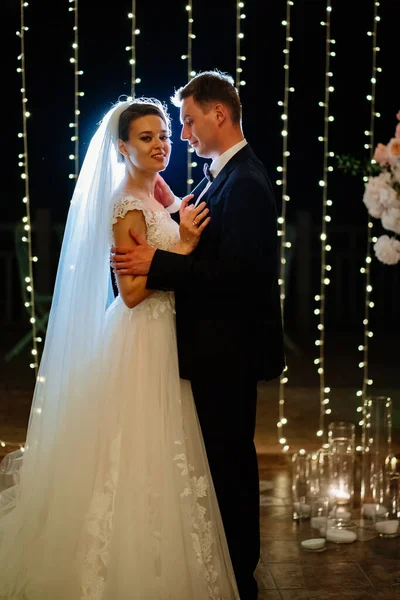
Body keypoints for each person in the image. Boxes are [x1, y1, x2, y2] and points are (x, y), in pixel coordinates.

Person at [0, 99, 240, 599]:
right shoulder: (124, 205)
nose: (160, 146)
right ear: (123, 146)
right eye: (147, 138)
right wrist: (184, 248)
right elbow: (130, 294)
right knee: (135, 448)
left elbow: (175, 216)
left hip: (170, 334)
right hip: (141, 337)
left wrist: (180, 220)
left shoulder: (153, 190)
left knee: (166, 446)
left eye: (165, 136)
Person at [111, 71, 285, 600]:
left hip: (228, 350)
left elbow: (238, 274)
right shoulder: (220, 175)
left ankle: (240, 572)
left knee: (229, 462)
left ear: (218, 114)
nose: (180, 135)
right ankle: (223, 565)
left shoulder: (247, 183)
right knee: (215, 460)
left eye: (186, 122)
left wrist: (158, 261)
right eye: (169, 127)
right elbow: (161, 210)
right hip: (207, 348)